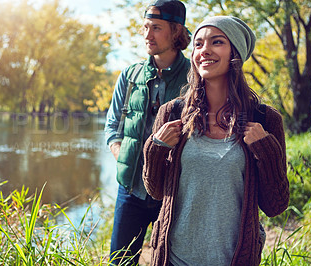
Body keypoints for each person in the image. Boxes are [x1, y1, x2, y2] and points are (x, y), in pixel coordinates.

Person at [143, 16, 290, 266]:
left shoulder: (265, 119)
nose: (205, 51)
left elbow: (275, 205)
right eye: (198, 44)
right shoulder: (172, 113)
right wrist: (156, 147)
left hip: (234, 259)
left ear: (236, 53)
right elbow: (156, 191)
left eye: (217, 42)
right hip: (173, 259)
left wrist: (265, 149)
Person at [104, 0, 191, 264]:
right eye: (145, 27)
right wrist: (124, 157)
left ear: (176, 32)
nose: (147, 35)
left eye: (156, 27)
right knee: (120, 261)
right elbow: (112, 129)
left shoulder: (195, 77)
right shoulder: (130, 75)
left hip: (174, 193)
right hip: (130, 191)